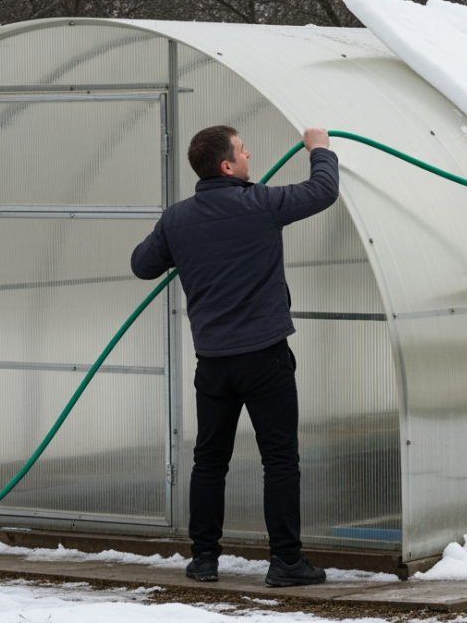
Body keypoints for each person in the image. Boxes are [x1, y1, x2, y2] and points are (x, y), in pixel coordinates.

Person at [131, 125, 339, 586]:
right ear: (227, 166)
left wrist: (181, 245)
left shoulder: (177, 218)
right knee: (279, 461)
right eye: (244, 150)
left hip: (214, 364)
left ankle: (204, 559)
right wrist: (319, 149)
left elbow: (142, 265)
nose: (250, 155)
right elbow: (323, 191)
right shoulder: (261, 203)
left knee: (209, 461)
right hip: (265, 358)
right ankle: (286, 563)